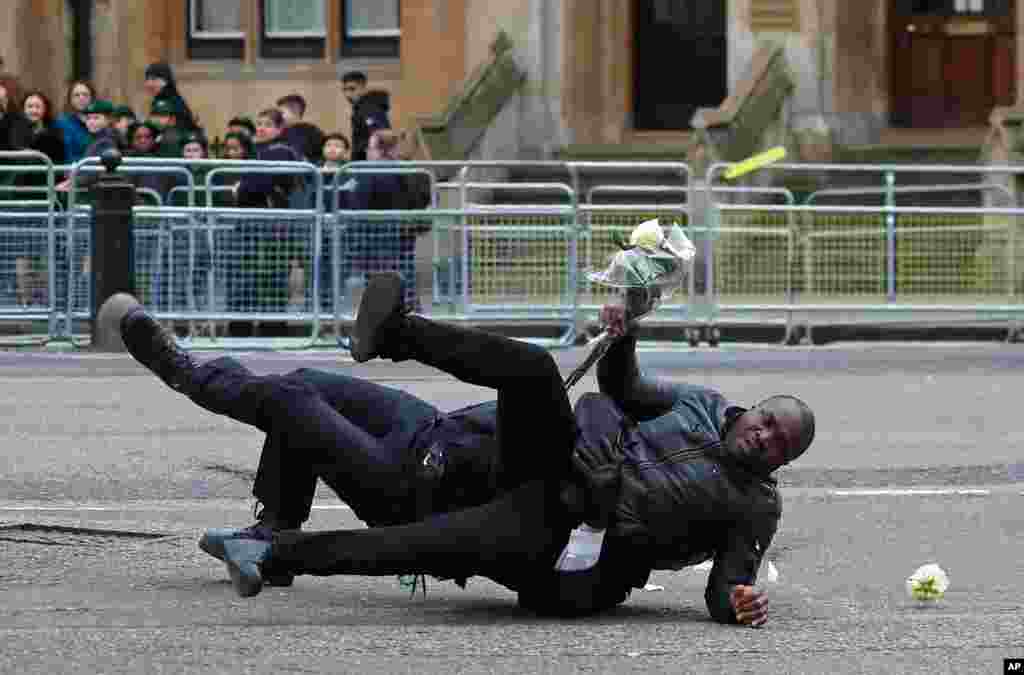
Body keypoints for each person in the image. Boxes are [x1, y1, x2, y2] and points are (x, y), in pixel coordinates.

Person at [120, 272, 814, 626]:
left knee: (311, 420)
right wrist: (624, 327)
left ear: (781, 465)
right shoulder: (696, 403)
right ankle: (392, 335)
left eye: (780, 447)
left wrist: (739, 601)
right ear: (751, 408)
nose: (766, 439)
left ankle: (267, 528)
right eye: (768, 422)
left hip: (565, 533)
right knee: (310, 385)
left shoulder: (752, 505)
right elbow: (618, 384)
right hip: (477, 447)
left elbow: (728, 584)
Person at [342, 129, 423, 310]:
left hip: (374, 238)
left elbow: (357, 205)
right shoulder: (410, 172)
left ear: (381, 150)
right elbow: (421, 199)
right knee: (404, 282)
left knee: (380, 288)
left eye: (371, 147)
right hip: (404, 235)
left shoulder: (369, 173)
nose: (367, 152)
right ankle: (411, 320)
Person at [340, 71, 390, 162]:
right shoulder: (363, 108)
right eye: (344, 90)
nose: (347, 94)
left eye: (352, 89)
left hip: (371, 164)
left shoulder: (368, 108)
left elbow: (378, 135)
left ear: (363, 88)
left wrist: (355, 153)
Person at [142, 62, 197, 132]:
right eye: (147, 79)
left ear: (166, 81)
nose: (149, 83)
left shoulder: (168, 102)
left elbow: (156, 128)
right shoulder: (169, 99)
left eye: (154, 79)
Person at [53, 79, 94, 164]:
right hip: (72, 170)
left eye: (85, 95)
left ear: (91, 98)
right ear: (70, 99)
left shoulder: (99, 122)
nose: (81, 98)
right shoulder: (62, 123)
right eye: (76, 95)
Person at [277, 93, 324, 164]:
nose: (277, 117)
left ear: (295, 111)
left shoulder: (313, 132)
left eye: (281, 113)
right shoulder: (278, 132)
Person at [21, 90, 64, 167]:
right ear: (23, 109)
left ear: (45, 109)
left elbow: (58, 159)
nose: (34, 110)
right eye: (30, 106)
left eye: (38, 107)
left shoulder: (54, 132)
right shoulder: (16, 130)